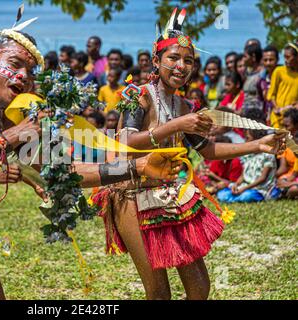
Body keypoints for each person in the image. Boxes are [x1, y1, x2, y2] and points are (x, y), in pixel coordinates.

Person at [0, 22, 181, 300]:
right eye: (15, 64)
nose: (24, 76)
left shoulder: (9, 118)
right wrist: (10, 138)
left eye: (30, 70)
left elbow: (63, 172)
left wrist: (137, 167)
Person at [91, 9, 285, 300]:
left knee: (199, 288)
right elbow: (127, 142)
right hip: (130, 197)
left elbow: (207, 150)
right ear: (156, 61)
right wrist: (177, 125)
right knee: (158, 294)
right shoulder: (137, 96)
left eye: (188, 61)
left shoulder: (184, 106)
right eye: (173, 58)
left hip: (168, 196)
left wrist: (258, 145)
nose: (181, 66)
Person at [217, 128, 280, 203]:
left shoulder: (268, 156)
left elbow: (262, 178)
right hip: (244, 187)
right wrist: (236, 184)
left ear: (257, 140)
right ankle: (236, 198)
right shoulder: (247, 155)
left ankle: (235, 198)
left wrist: (245, 188)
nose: (245, 141)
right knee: (221, 194)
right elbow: (243, 175)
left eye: (247, 138)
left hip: (259, 189)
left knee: (247, 196)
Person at [267, 42, 298, 128]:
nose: (285, 60)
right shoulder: (279, 71)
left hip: (292, 120)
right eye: (284, 56)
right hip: (277, 117)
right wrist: (276, 108)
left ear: (296, 57)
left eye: (288, 57)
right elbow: (271, 94)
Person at [259, 45, 279, 122]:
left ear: (277, 60)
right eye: (265, 60)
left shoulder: (284, 77)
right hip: (267, 120)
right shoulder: (261, 81)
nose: (268, 63)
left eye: (271, 60)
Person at [242, 44, 263, 111]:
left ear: (253, 57)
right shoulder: (249, 74)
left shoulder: (262, 74)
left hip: (257, 114)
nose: (243, 59)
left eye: (245, 56)